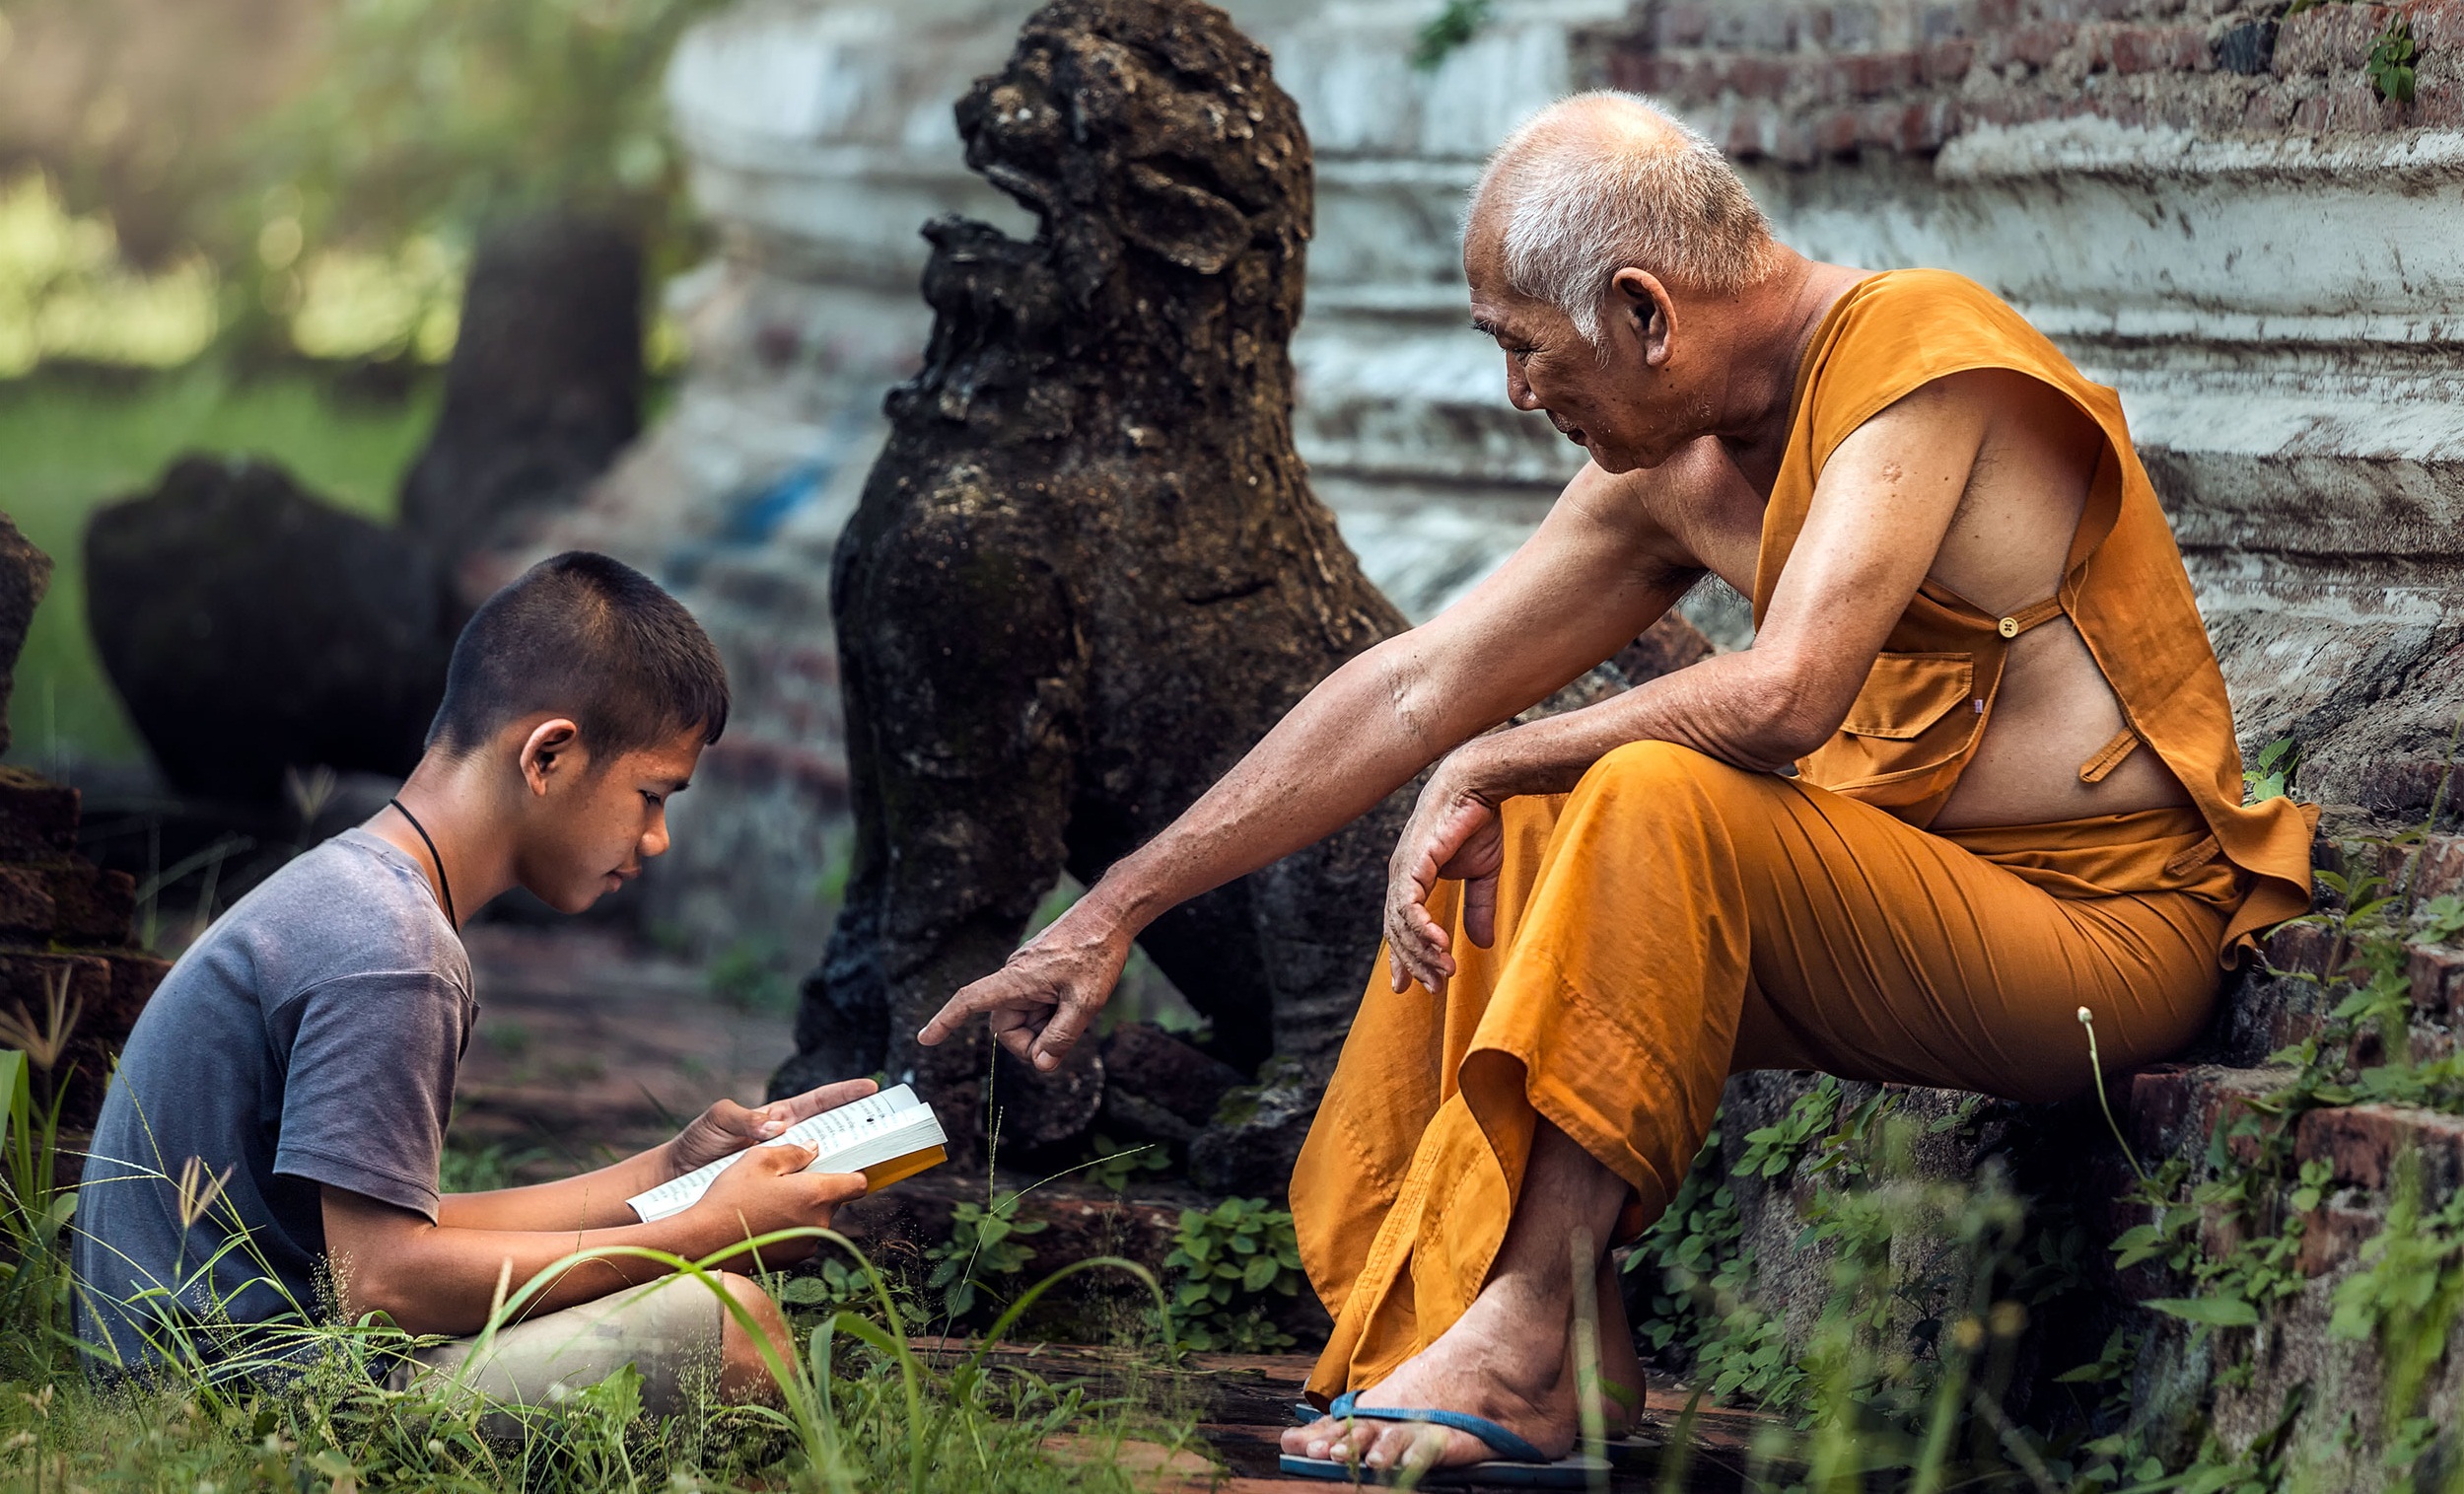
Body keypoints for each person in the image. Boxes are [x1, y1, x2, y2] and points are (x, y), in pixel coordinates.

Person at [917, 91, 2314, 1480]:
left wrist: (1496, 747)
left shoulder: (1916, 350)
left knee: (1638, 788)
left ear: (1643, 314)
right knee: (1512, 834)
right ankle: (1552, 1335)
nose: (1516, 394)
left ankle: (1518, 1332)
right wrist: (1109, 906)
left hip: (2099, 939)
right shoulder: (1674, 458)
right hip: (1901, 911)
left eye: (1526, 350)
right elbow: (1415, 686)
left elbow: (1784, 693)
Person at [77, 551, 874, 1418]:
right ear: (548, 756)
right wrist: (706, 1234)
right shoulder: (393, 950)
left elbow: (402, 1232)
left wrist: (671, 1172)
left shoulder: (357, 889)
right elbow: (384, 1284)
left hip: (190, 1366)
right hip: (229, 1404)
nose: (657, 839)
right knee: (731, 1325)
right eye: (652, 794)